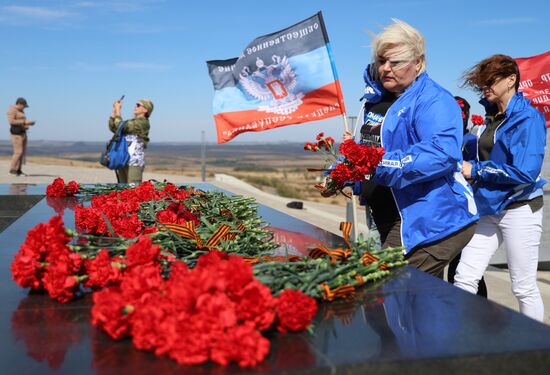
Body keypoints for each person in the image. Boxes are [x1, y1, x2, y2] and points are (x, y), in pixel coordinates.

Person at [344, 19, 478, 279]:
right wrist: (348, 171)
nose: (385, 69)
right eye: (381, 61)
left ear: (418, 62)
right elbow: (370, 149)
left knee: (385, 287)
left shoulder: (434, 100)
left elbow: (441, 154)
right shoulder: (376, 100)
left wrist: (378, 164)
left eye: (395, 62)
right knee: (421, 306)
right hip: (391, 216)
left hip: (431, 220)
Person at [454, 54, 546, 321]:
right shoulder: (492, 116)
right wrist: (467, 165)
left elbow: (526, 172)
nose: (484, 86)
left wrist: (477, 170)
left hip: (520, 209)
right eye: (482, 82)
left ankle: (534, 351)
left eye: (490, 80)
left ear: (511, 80)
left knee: (523, 287)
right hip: (489, 207)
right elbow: (491, 159)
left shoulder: (529, 118)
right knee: (464, 276)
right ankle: (462, 342)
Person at [447, 96, 487, 297]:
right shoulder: (443, 137)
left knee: (464, 264)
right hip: (445, 208)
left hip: (465, 207)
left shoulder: (471, 140)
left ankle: (477, 310)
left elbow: (475, 170)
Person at [108, 98, 153, 184]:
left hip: (134, 163)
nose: (135, 106)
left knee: (133, 191)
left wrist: (118, 110)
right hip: (122, 160)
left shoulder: (143, 123)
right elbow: (114, 128)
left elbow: (120, 126)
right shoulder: (130, 122)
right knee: (122, 190)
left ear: (145, 110)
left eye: (138, 105)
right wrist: (114, 111)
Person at [6, 97, 35, 176]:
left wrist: (28, 124)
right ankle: (12, 169)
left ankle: (18, 170)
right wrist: (24, 121)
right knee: (18, 152)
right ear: (19, 104)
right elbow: (11, 121)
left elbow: (21, 122)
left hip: (23, 133)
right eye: (24, 106)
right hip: (16, 134)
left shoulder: (21, 111)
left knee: (22, 152)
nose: (24, 108)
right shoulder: (12, 110)